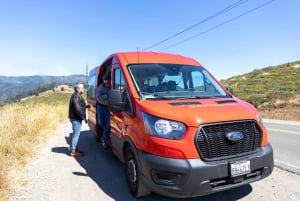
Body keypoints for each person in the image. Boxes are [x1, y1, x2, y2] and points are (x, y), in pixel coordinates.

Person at [68, 83, 89, 157]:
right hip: (76, 119)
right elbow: (77, 109)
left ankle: (74, 149)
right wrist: (83, 117)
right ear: (78, 89)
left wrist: (86, 106)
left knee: (75, 134)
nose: (83, 89)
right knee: (76, 134)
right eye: (82, 88)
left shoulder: (76, 96)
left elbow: (79, 106)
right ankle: (73, 151)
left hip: (75, 118)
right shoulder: (76, 96)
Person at [96, 74, 111, 148]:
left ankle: (104, 140)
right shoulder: (100, 88)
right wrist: (108, 95)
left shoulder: (113, 86)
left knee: (107, 126)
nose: (107, 84)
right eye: (105, 83)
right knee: (100, 122)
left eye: (108, 83)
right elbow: (99, 98)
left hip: (109, 108)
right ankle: (103, 133)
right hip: (101, 107)